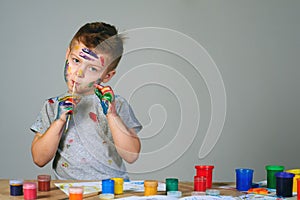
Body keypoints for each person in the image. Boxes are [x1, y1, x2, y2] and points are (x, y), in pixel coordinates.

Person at [30, 22, 142, 180]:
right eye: (76, 60)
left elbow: (131, 156)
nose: (79, 73)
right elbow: (39, 159)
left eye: (93, 68)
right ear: (67, 54)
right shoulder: (53, 106)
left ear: (107, 76)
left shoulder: (116, 105)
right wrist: (59, 121)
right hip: (69, 191)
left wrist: (112, 115)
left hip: (112, 189)